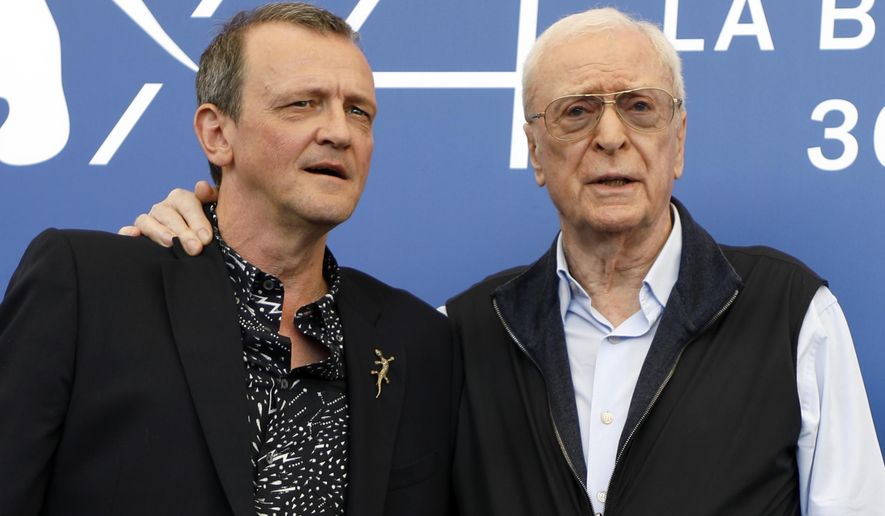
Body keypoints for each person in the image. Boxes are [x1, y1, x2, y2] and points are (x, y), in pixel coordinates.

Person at [124, 6, 884, 516]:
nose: (611, 137)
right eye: (576, 112)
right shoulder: (455, 335)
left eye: (640, 108)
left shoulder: (790, 312)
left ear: (677, 141)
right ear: (533, 151)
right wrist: (198, 245)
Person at [0, 4, 457, 516]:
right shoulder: (89, 286)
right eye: (303, 104)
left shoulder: (417, 340)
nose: (340, 132)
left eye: (358, 112)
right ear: (217, 134)